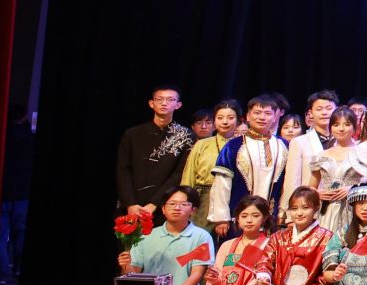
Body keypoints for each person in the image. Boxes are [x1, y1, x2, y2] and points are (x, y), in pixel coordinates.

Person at [210, 97, 291, 231]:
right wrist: (221, 217)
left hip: (272, 218)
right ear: (248, 116)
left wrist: (284, 213)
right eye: (257, 113)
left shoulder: (283, 145)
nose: (262, 117)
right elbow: (221, 184)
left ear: (275, 117)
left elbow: (287, 184)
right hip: (238, 216)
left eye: (267, 113)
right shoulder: (234, 146)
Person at [118, 86, 195, 222]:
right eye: (159, 99)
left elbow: (179, 173)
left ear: (178, 105)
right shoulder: (132, 134)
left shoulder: (186, 136)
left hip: (165, 205)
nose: (164, 103)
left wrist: (155, 203)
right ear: (151, 103)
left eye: (170, 100)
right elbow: (123, 170)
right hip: (131, 205)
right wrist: (130, 203)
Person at [206, 195, 276, 285]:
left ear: (264, 218)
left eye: (255, 215)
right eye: (244, 216)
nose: (249, 220)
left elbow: (261, 284)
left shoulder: (269, 246)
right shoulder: (227, 245)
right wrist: (213, 280)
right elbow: (218, 276)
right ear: (237, 219)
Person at [311, 110, 361, 236]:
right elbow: (311, 186)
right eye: (336, 125)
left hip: (352, 209)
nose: (341, 129)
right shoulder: (321, 155)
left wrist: (352, 189)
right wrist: (317, 193)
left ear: (354, 128)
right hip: (326, 210)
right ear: (331, 128)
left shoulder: (363, 154)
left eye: (347, 124)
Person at [182, 101, 240, 191]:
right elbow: (188, 176)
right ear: (214, 122)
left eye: (230, 118)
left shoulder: (243, 145)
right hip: (203, 194)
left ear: (238, 121)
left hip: (235, 193)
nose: (225, 122)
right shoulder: (201, 144)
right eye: (220, 118)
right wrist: (185, 195)